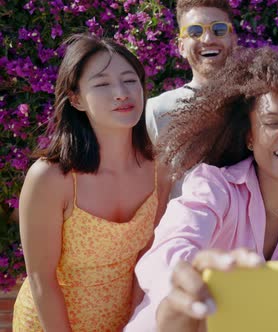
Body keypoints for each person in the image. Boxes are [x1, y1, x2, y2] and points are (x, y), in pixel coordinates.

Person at [124, 47, 278, 332]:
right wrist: (185, 277)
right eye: (272, 122)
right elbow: (171, 246)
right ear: (249, 136)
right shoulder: (212, 185)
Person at [12, 34, 168, 331]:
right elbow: (41, 280)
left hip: (123, 323)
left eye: (130, 80)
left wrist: (135, 323)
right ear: (76, 99)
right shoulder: (50, 178)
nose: (121, 93)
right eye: (102, 84)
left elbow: (145, 261)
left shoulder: (160, 168)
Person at [147, 0, 238, 200]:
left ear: (233, 38)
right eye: (195, 31)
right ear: (180, 46)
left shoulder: (257, 103)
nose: (208, 39)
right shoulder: (157, 111)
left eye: (219, 29)